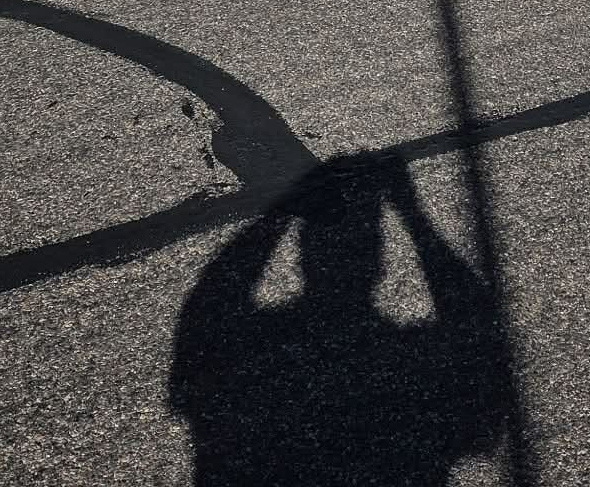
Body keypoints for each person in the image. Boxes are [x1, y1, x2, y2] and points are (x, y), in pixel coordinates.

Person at [170, 155, 507, 486]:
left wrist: (276, 218)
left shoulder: (268, 349)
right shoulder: (398, 356)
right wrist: (414, 217)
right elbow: (475, 326)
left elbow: (208, 313)